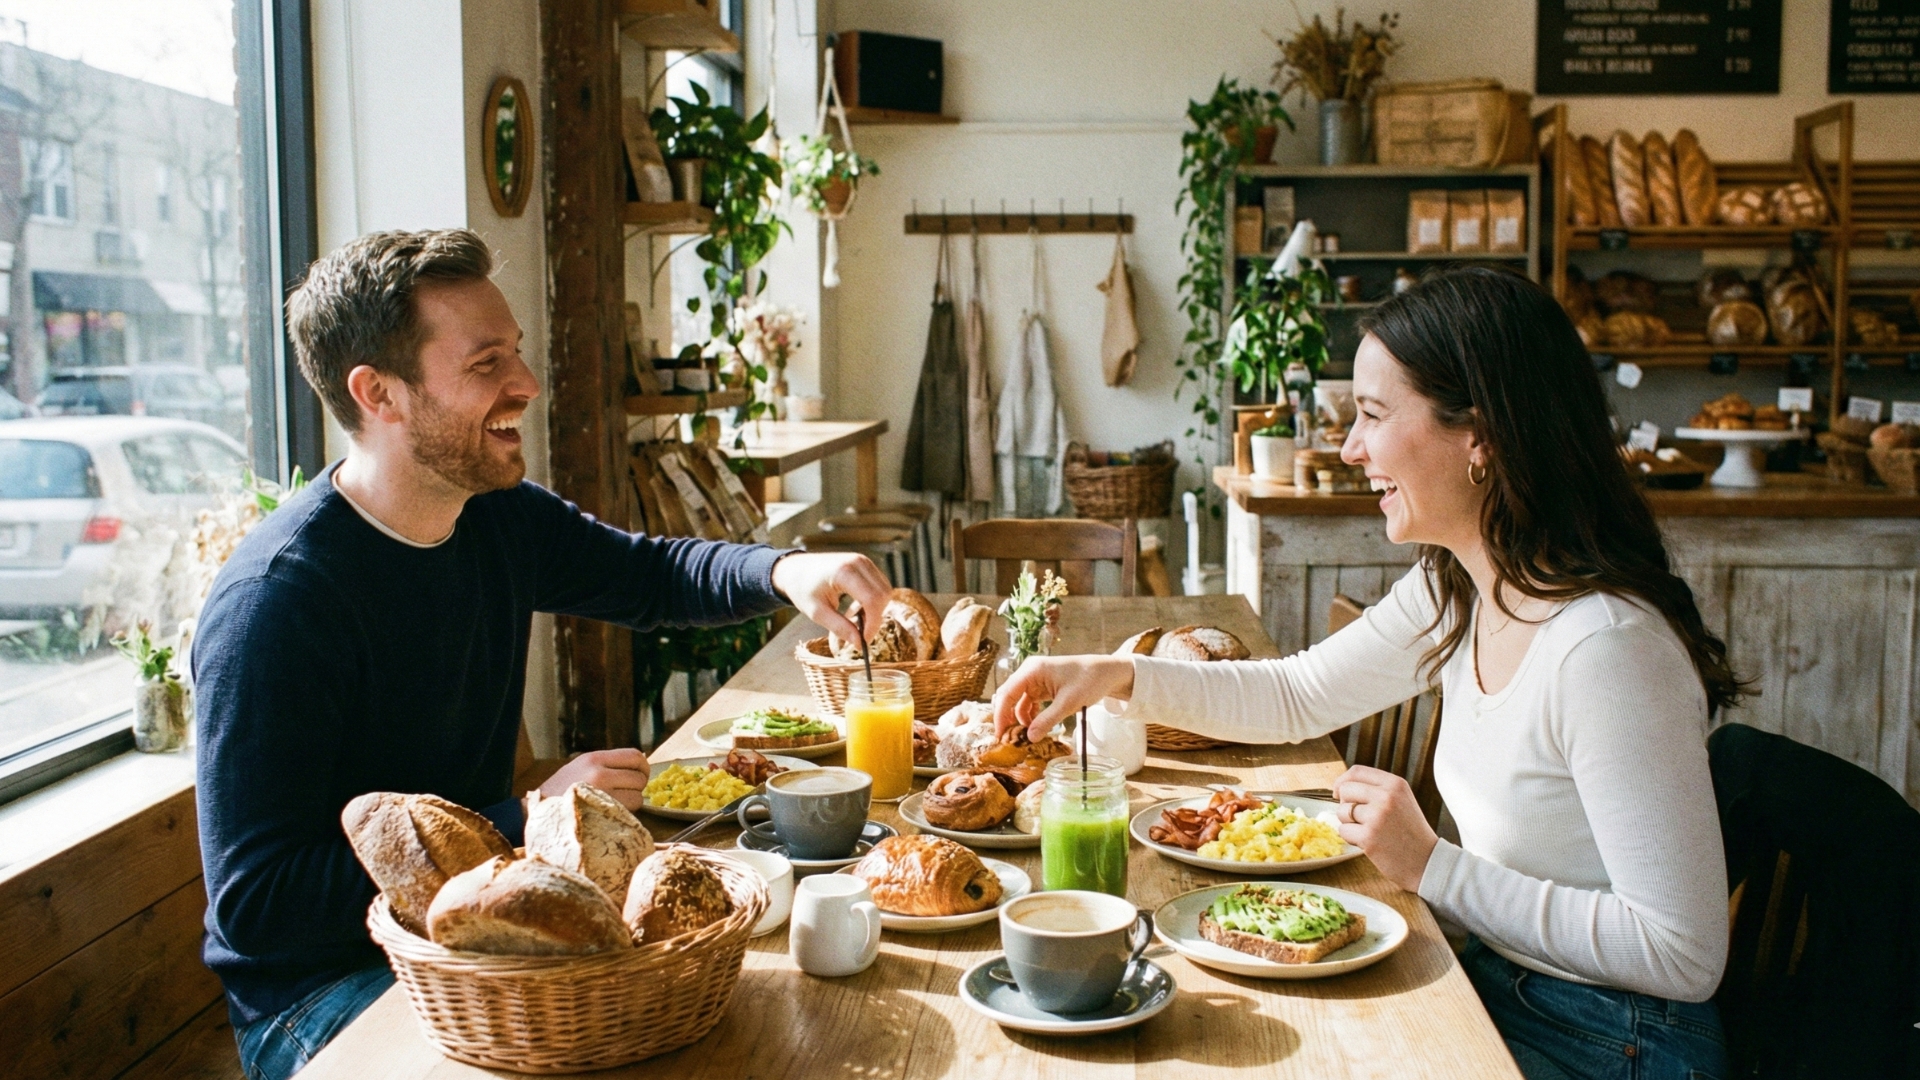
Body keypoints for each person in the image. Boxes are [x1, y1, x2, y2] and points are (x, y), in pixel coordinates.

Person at [996, 267, 1735, 1080]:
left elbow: (1683, 953)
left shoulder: (1608, 649)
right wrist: (1115, 674)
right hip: (1496, 977)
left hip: (1612, 1038)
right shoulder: (1459, 585)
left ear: (1479, 436)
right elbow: (1295, 693)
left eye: (1374, 416)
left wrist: (1430, 867)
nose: (1350, 448)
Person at [193, 229, 891, 1080]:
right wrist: (523, 824)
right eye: (486, 363)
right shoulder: (276, 604)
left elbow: (647, 572)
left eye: (516, 353)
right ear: (380, 394)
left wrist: (784, 568)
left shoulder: (495, 515)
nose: (526, 384)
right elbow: (259, 908)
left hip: (494, 948)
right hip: (327, 1000)